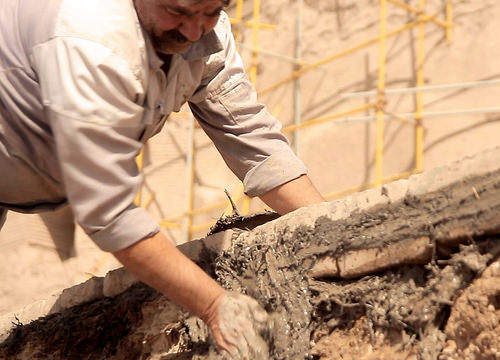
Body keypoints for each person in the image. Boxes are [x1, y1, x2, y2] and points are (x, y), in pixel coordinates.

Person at [0, 0, 325, 356]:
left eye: (210, 11)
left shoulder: (205, 28)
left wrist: (327, 230)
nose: (193, 30)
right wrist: (216, 306)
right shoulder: (91, 39)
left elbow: (249, 133)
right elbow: (109, 214)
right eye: (178, 13)